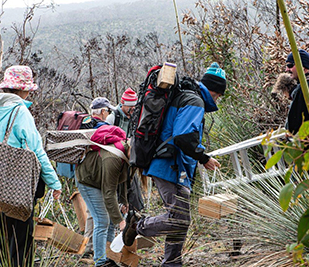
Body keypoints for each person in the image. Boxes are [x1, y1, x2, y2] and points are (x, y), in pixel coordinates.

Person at [123, 62, 225, 267]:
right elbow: (183, 137)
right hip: (169, 165)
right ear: (215, 92)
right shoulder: (195, 101)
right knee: (179, 219)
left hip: (172, 165)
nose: (218, 99)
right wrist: (204, 158)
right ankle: (138, 224)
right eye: (219, 95)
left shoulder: (185, 95)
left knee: (179, 218)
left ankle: (171, 263)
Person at [0, 65, 62, 267]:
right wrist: (54, 182)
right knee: (21, 241)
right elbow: (37, 150)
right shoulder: (20, 111)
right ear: (25, 89)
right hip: (16, 186)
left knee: (0, 239)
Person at [75, 126, 129, 267]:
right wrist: (121, 222)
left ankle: (109, 257)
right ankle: (100, 261)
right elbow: (108, 193)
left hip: (101, 179)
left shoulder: (131, 156)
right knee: (102, 220)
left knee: (111, 220)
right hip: (88, 180)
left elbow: (123, 179)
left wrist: (124, 201)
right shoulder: (113, 158)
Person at [79, 96, 116, 258]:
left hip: (83, 175)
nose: (108, 114)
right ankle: (102, 256)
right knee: (103, 219)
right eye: (108, 111)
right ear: (102, 111)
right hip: (96, 176)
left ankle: (88, 248)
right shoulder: (103, 128)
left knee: (92, 213)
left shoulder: (85, 124)